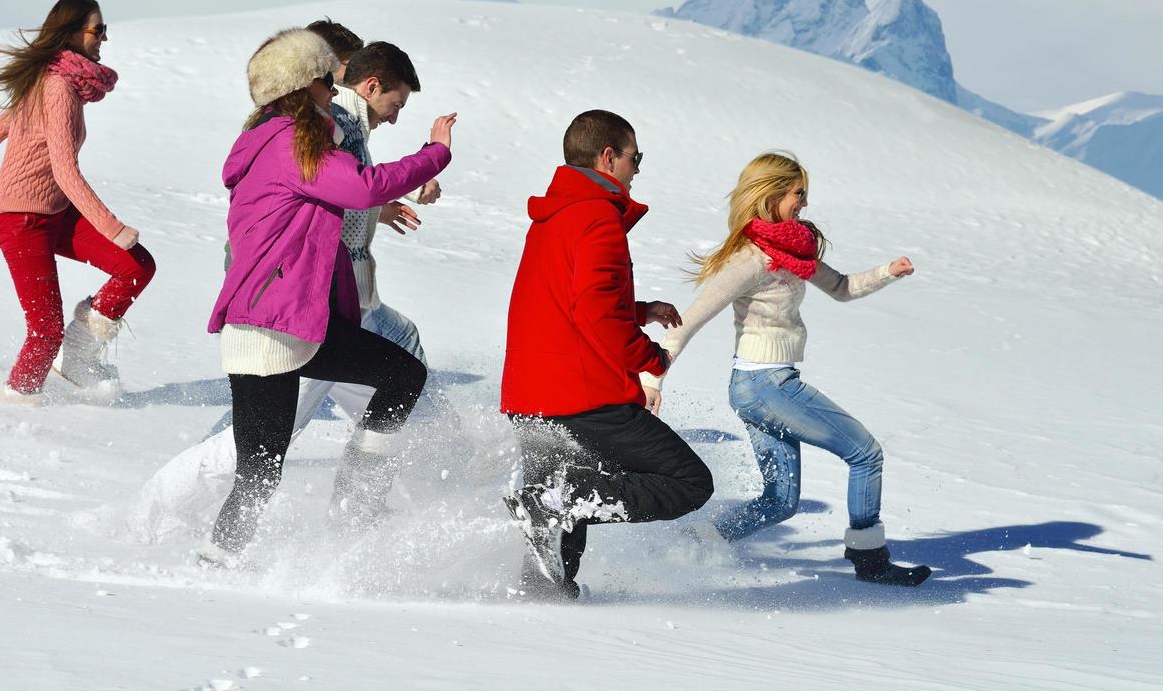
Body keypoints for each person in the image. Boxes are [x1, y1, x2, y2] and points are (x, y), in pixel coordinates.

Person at [127, 39, 453, 542]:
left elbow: (348, 195)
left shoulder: (285, 139)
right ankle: (218, 548)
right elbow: (363, 185)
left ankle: (348, 505)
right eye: (327, 80)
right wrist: (435, 154)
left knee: (399, 376)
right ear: (305, 87)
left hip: (292, 322)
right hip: (270, 327)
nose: (334, 89)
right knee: (259, 468)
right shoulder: (290, 144)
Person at [650, 151, 930, 586]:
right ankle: (870, 560)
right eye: (798, 194)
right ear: (772, 194)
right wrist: (653, 378)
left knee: (780, 502)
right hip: (766, 386)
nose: (803, 203)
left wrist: (888, 272)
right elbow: (691, 320)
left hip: (762, 387)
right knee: (865, 453)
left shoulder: (792, 250)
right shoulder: (749, 259)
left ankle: (700, 539)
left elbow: (840, 288)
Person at [501, 109, 714, 599]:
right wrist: (649, 357)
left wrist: (638, 310)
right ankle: (560, 502)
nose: (638, 168)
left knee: (549, 553)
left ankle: (539, 611)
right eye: (636, 158)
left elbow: (564, 298)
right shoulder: (598, 217)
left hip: (531, 393)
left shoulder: (558, 215)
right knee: (687, 481)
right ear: (608, 157)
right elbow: (595, 313)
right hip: (582, 397)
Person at [0, 0, 155, 405]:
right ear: (70, 33)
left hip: (54, 212)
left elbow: (5, 120)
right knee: (44, 331)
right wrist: (111, 227)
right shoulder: (57, 86)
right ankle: (18, 402)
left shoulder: (54, 80)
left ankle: (80, 354)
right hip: (21, 220)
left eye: (105, 29)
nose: (104, 38)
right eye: (97, 29)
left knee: (136, 267)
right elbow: (64, 169)